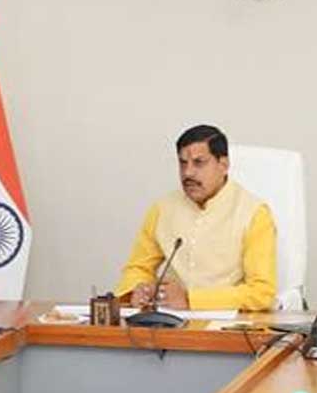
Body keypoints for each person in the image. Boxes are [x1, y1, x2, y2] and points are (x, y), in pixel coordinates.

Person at [115, 125, 277, 311]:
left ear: (223, 165)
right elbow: (138, 268)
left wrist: (190, 300)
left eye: (199, 163)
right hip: (169, 321)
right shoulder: (162, 209)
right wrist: (136, 291)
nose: (188, 173)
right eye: (183, 163)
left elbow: (262, 293)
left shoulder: (254, 213)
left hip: (230, 323)